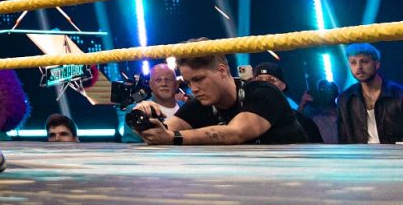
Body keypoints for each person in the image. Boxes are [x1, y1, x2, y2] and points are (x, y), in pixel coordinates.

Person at [129, 46, 308, 145]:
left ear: (222, 70)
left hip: (301, 181)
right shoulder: (201, 102)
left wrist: (172, 138)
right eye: (189, 82)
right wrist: (146, 119)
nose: (194, 89)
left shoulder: (263, 92)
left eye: (199, 79)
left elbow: (236, 133)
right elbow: (166, 129)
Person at [337, 43, 403, 144]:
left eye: (364, 61)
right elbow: (343, 138)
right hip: (361, 153)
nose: (359, 67)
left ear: (377, 64)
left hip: (395, 152)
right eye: (353, 63)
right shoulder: (345, 99)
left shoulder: (399, 94)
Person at [301, 79, 341, 145]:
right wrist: (302, 104)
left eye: (328, 89)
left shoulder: (343, 112)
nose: (325, 93)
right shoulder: (313, 114)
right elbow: (296, 126)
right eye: (321, 90)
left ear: (336, 93)